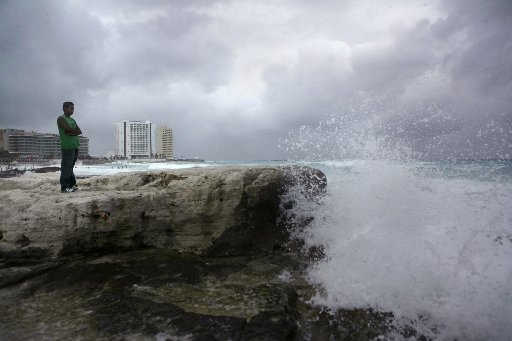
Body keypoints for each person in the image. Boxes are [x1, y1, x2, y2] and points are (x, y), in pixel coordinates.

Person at [57, 101, 82, 193]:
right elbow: (67, 130)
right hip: (67, 147)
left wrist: (72, 131)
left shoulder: (72, 120)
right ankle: (64, 187)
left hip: (75, 146)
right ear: (64, 108)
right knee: (66, 167)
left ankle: (72, 185)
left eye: (73, 108)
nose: (72, 110)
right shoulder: (61, 119)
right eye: (71, 108)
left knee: (70, 167)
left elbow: (79, 131)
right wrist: (72, 131)